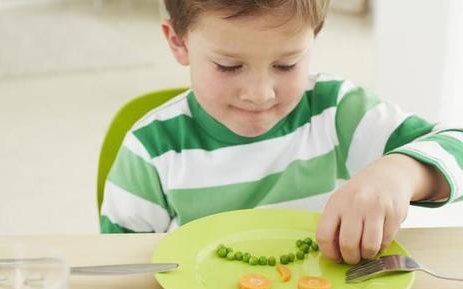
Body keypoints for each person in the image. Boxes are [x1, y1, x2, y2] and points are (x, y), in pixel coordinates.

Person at [100, 0, 463, 265]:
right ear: (179, 43)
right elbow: (120, 268)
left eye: (286, 64)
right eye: (229, 66)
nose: (260, 94)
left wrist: (400, 173)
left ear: (314, 37)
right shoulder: (151, 149)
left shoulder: (338, 112)